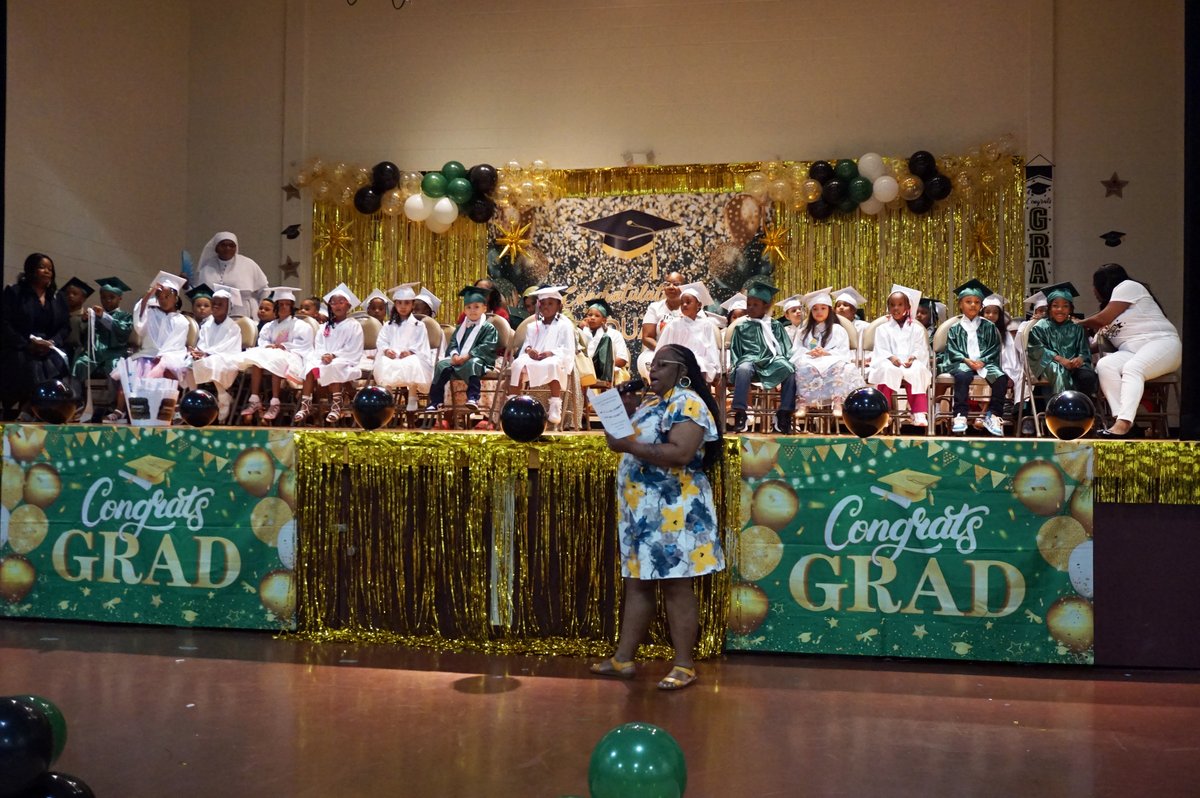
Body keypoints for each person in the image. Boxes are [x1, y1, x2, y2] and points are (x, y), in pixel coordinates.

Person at [590, 344, 724, 691]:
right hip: (643, 511)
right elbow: (615, 441)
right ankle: (623, 659)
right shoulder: (651, 402)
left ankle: (684, 664)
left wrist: (630, 445)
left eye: (662, 365)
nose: (654, 370)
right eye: (653, 364)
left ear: (682, 371)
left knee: (677, 585)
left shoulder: (687, 401)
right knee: (638, 582)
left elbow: (680, 452)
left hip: (675, 509)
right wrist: (617, 410)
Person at [1080, 262, 1181, 438]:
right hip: (1133, 352)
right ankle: (1123, 421)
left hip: (1162, 344)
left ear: (1104, 284)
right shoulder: (1110, 313)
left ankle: (1123, 423)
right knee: (1105, 365)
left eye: (1094, 285)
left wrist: (1074, 323)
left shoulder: (1129, 287)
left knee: (1132, 368)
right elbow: (1095, 346)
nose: (1093, 290)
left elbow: (1100, 319)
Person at [104, 271, 191, 423]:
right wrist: (148, 294)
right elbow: (139, 324)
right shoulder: (151, 313)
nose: (163, 300)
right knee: (130, 373)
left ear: (176, 298)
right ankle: (120, 410)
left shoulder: (182, 321)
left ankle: (170, 409)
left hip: (169, 357)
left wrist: (163, 360)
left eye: (167, 296)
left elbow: (176, 345)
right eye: (160, 296)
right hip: (147, 354)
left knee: (168, 371)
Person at [0, 253, 71, 420]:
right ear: (30, 270)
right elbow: (5, 323)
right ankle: (28, 409)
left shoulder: (57, 297)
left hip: (49, 346)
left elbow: (64, 327)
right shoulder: (15, 293)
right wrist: (27, 344)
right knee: (30, 364)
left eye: (50, 269)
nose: (47, 272)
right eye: (42, 267)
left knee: (57, 361)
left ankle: (36, 410)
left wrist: (52, 342)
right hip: (21, 344)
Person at [943, 279, 1009, 436]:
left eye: (976, 302)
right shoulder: (954, 328)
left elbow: (994, 348)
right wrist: (966, 360)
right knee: (962, 376)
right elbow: (952, 350)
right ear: (960, 305)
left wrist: (983, 361)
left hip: (984, 362)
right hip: (962, 363)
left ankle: (993, 415)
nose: (973, 305)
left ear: (981, 306)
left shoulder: (989, 327)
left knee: (1001, 378)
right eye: (968, 301)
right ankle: (960, 415)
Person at [292, 284, 365, 425]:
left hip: (345, 360)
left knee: (334, 365)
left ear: (348, 306)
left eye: (341, 302)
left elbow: (353, 348)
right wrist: (324, 355)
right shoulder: (325, 326)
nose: (337, 306)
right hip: (324, 359)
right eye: (334, 303)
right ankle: (305, 405)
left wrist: (334, 355)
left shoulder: (353, 325)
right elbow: (318, 345)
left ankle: (336, 406)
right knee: (309, 366)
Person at [728, 282, 795, 433]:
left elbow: (785, 349)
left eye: (755, 304)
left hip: (772, 360)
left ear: (765, 307)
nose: (750, 307)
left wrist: (783, 360)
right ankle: (741, 413)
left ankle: (784, 413)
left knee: (789, 370)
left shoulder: (775, 325)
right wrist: (735, 364)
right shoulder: (741, 327)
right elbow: (736, 351)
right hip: (749, 360)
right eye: (748, 304)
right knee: (743, 369)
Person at [790, 287, 866, 420]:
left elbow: (843, 351)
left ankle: (837, 402)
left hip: (831, 359)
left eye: (823, 308)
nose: (819, 312)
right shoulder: (804, 331)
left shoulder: (838, 329)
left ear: (829, 310)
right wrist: (809, 352)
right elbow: (796, 349)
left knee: (841, 367)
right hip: (810, 359)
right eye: (815, 309)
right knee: (802, 366)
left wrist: (827, 353)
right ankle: (803, 403)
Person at [239, 286, 313, 422]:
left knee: (276, 359)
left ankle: (275, 402)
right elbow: (263, 341)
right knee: (257, 359)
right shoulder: (269, 326)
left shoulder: (300, 325)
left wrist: (284, 346)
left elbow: (305, 345)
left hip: (292, 357)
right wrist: (269, 346)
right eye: (281, 304)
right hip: (272, 355)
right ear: (276, 307)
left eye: (287, 304)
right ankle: (254, 399)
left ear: (292, 307)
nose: (284, 307)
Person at [508, 285, 576, 426]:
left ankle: (555, 406)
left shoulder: (565, 325)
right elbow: (527, 345)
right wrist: (529, 351)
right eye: (543, 304)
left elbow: (567, 349)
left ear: (559, 305)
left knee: (552, 364)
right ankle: (512, 403)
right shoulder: (534, 326)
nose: (546, 307)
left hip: (555, 357)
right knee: (517, 365)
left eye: (550, 304)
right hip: (535, 357)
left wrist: (551, 353)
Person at [425, 286, 499, 413]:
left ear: (484, 308)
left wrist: (467, 356)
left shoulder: (488, 328)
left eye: (476, 307)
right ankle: (436, 401)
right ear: (464, 310)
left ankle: (473, 398)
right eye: (468, 307)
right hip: (458, 359)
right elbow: (453, 343)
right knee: (441, 365)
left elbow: (487, 346)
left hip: (478, 359)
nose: (472, 311)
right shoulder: (460, 328)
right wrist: (454, 355)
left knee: (473, 363)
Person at [867, 284, 931, 428]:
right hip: (890, 362)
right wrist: (891, 357)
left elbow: (920, 348)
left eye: (900, 304)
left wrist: (913, 358)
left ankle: (918, 412)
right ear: (888, 307)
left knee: (918, 370)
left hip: (910, 362)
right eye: (892, 305)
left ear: (908, 306)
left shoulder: (916, 328)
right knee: (887, 370)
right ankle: (884, 413)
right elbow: (880, 349)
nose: (896, 308)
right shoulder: (882, 329)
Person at [1026, 282, 1097, 396]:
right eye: (1055, 305)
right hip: (1049, 363)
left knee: (1087, 376)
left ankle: (1082, 408)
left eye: (1065, 306)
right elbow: (1037, 350)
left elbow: (1084, 351)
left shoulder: (1076, 327)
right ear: (1049, 308)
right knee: (1059, 370)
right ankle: (1060, 410)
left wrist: (1080, 359)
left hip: (1073, 365)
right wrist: (1060, 359)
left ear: (1070, 309)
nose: (1060, 309)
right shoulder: (1040, 327)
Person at [188, 284, 245, 422]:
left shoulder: (233, 327)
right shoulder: (207, 324)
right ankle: (192, 398)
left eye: (220, 304)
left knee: (213, 362)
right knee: (187, 363)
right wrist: (198, 352)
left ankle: (222, 396)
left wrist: (207, 354)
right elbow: (202, 343)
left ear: (228, 307)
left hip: (228, 357)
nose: (216, 306)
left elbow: (228, 347)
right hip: (209, 356)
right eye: (214, 303)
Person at [373, 283, 433, 413]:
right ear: (395, 305)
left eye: (406, 303)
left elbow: (421, 344)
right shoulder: (388, 325)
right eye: (399, 303)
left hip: (410, 357)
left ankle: (412, 397)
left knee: (413, 362)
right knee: (384, 362)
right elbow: (382, 341)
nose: (403, 307)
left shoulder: (419, 325)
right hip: (393, 356)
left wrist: (411, 351)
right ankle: (388, 398)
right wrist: (386, 350)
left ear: (412, 305)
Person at [71, 276, 134, 385]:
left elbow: (123, 331)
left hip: (115, 354)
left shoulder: (125, 316)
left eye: (111, 297)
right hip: (95, 355)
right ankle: (78, 399)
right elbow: (84, 336)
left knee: (115, 366)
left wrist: (103, 317)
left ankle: (112, 401)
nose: (107, 300)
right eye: (103, 297)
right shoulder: (95, 315)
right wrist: (85, 321)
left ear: (120, 298)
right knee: (80, 363)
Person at [655, 282, 722, 384]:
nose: (684, 305)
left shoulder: (706, 325)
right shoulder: (674, 324)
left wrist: (717, 368)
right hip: (677, 361)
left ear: (698, 305)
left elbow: (711, 348)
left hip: (700, 362)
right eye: (682, 303)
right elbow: (663, 347)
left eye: (688, 302)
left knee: (700, 365)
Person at [193, 232, 268, 317]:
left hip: (242, 313)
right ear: (216, 248)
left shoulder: (248, 264)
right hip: (214, 314)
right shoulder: (207, 267)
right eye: (223, 245)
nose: (227, 248)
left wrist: (264, 309)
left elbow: (264, 290)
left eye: (231, 245)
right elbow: (199, 294)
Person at [636, 271, 685, 380]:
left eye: (676, 284)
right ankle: (663, 394)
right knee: (650, 364)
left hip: (684, 353)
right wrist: (664, 351)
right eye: (667, 284)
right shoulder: (655, 308)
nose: (671, 287)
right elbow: (647, 337)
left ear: (684, 287)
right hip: (656, 350)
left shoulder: (690, 306)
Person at [982, 293, 1024, 415]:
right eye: (987, 312)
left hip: (998, 371)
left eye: (995, 313)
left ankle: (990, 414)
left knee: (1000, 378)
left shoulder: (1005, 335)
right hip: (978, 367)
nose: (991, 315)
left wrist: (1010, 374)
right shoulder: (976, 331)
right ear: (982, 314)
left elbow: (1010, 359)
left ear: (1000, 315)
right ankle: (982, 414)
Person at [580, 298, 630, 386]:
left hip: (610, 371)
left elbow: (622, 360)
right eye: (590, 315)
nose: (592, 318)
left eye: (597, 316)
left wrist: (604, 365)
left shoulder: (614, 334)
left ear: (604, 320)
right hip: (587, 371)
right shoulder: (582, 333)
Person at [833, 286, 870, 367]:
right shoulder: (832, 328)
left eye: (845, 305)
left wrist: (866, 359)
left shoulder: (864, 327)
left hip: (863, 364)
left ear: (853, 310)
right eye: (838, 306)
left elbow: (873, 350)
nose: (841, 308)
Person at [60, 276, 94, 359]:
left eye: (74, 294)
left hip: (76, 357)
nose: (70, 296)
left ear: (83, 299)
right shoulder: (59, 315)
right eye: (67, 294)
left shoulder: (87, 319)